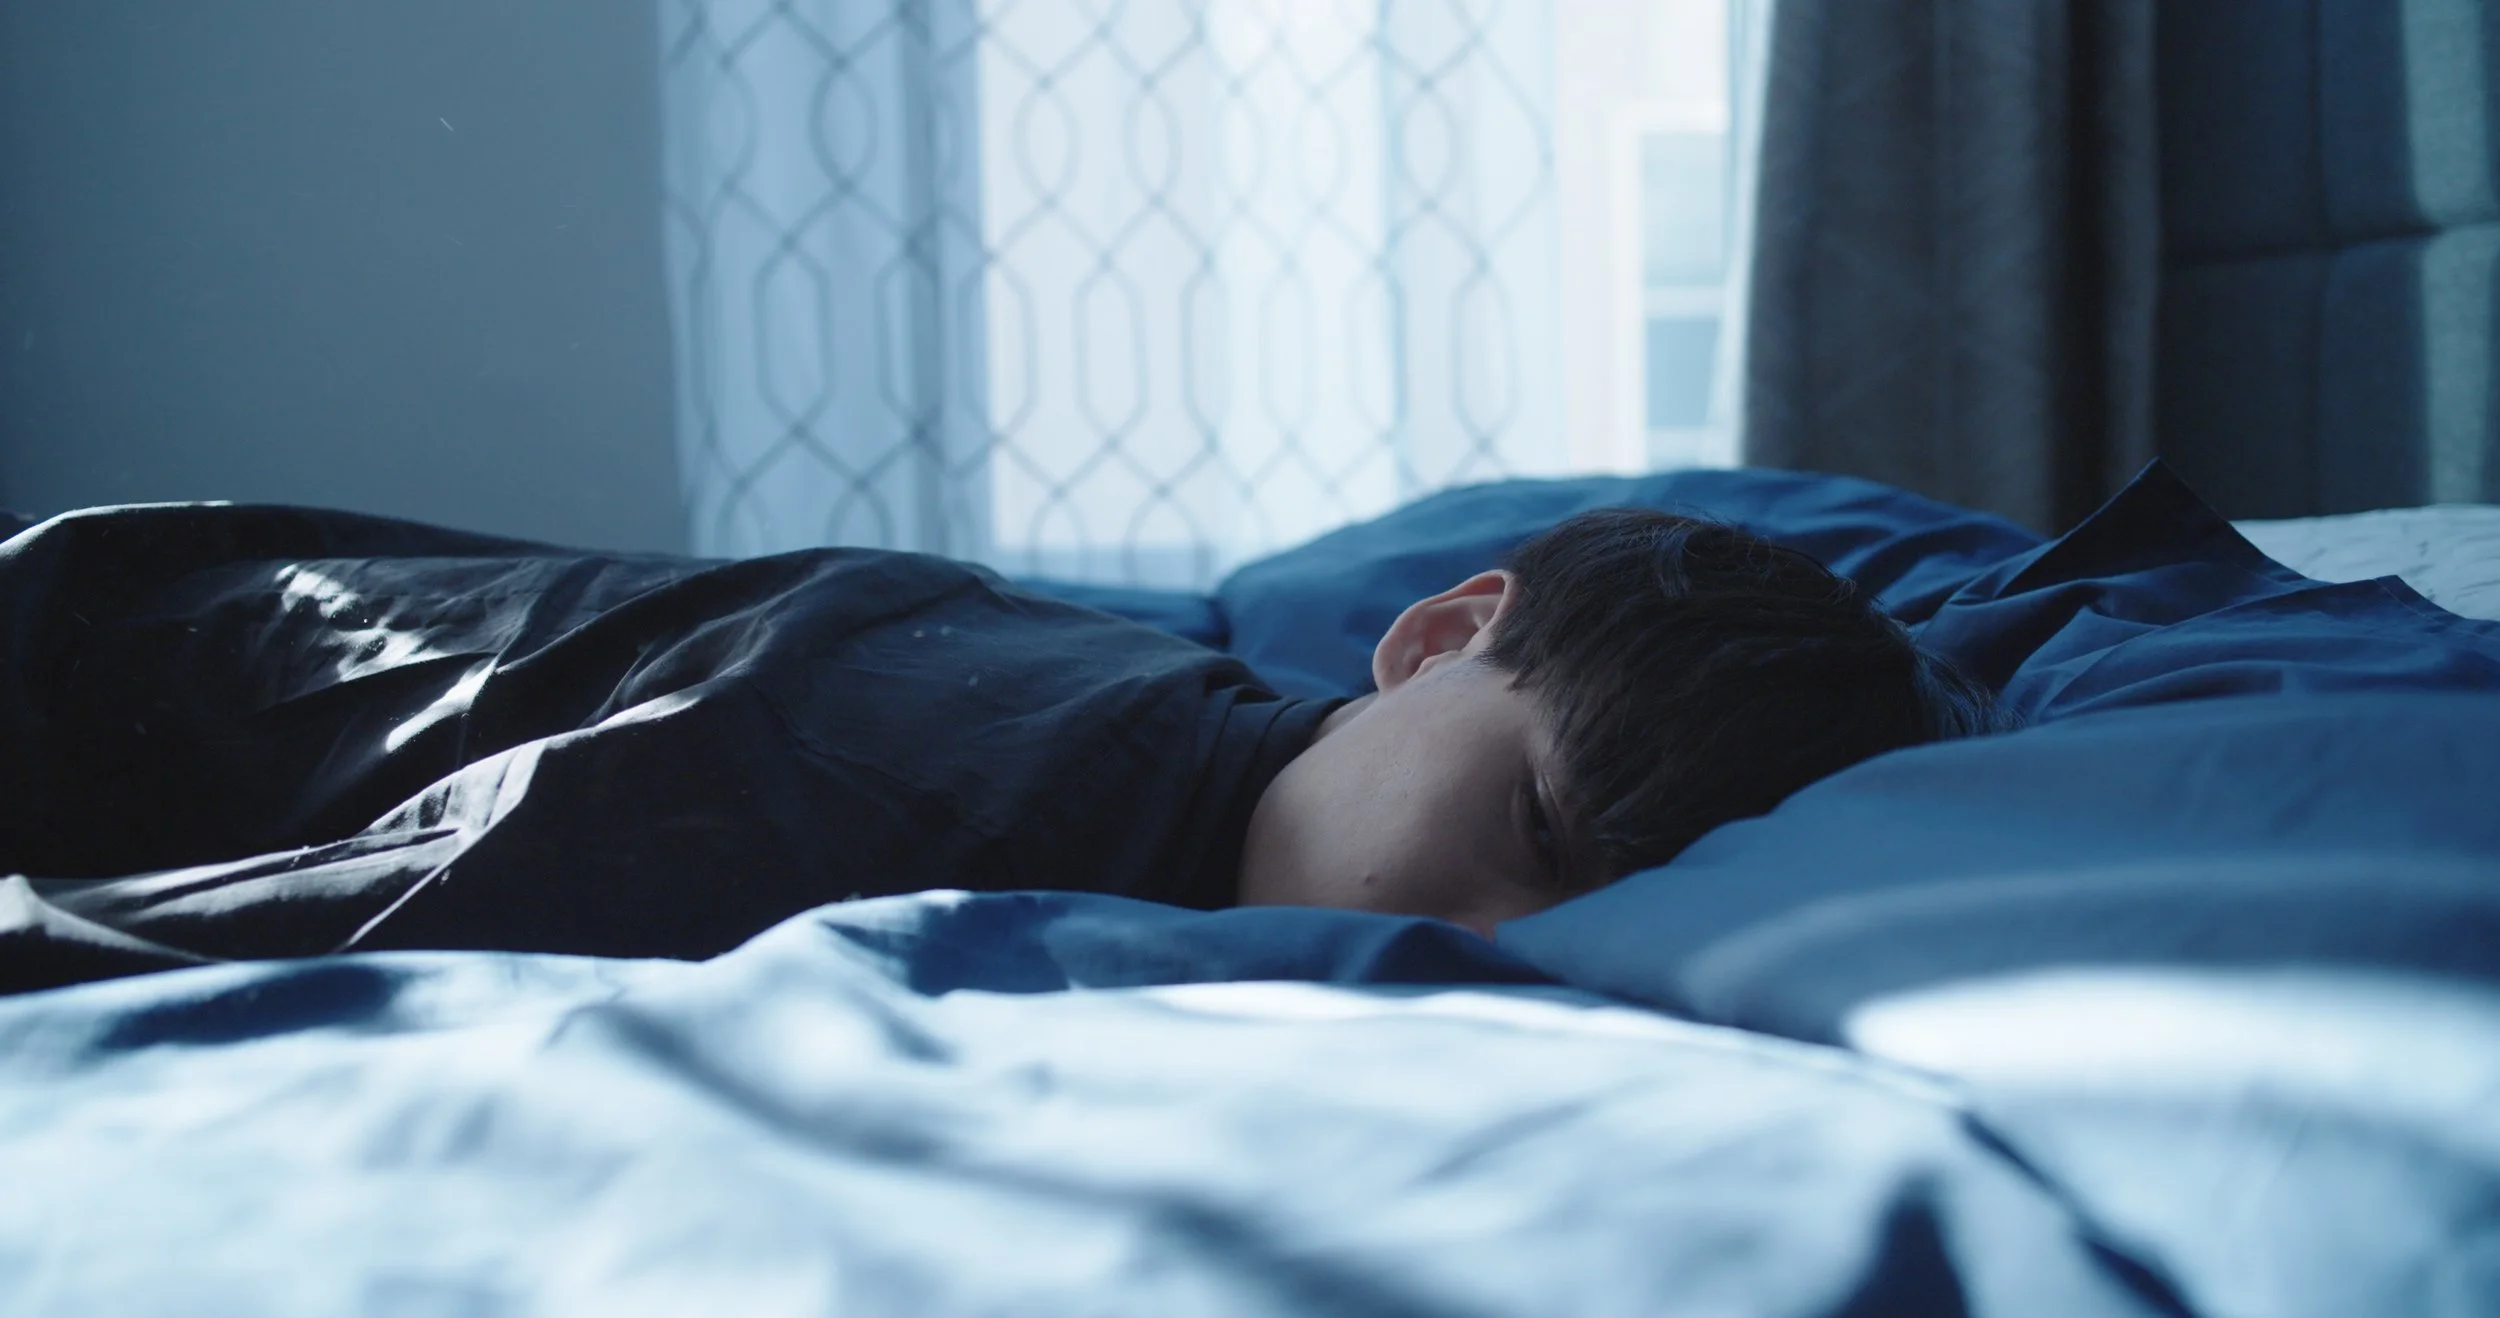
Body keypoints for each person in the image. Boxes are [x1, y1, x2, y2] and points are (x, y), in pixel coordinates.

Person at [0, 501, 1999, 992]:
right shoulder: (884, 809)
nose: (1478, 936)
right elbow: (264, 939)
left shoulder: (1184, 745)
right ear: (1433, 635)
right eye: (1530, 826)